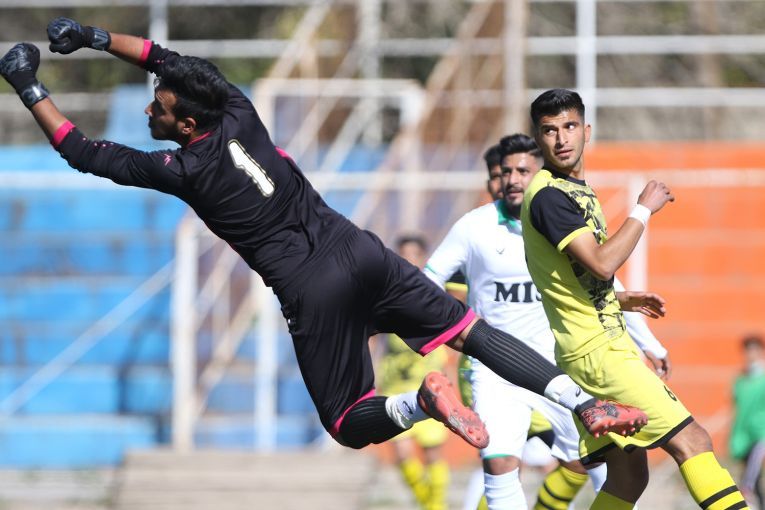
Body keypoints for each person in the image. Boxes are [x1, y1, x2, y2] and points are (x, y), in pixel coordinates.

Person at [0, 21, 645, 458]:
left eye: (158, 107)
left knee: (346, 421)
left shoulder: (183, 170)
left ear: (187, 124)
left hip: (312, 290)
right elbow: (169, 60)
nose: (150, 109)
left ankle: (421, 403)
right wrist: (92, 38)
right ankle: (581, 402)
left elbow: (83, 151)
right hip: (360, 249)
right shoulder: (238, 108)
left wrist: (30, 87)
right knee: (472, 333)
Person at [520, 88, 748, 509]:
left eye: (569, 126)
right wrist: (642, 209)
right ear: (538, 138)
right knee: (693, 440)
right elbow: (602, 263)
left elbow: (577, 275)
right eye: (550, 130)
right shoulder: (550, 196)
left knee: (628, 477)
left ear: (587, 131)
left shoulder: (570, 189)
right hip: (599, 355)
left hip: (594, 349)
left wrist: (619, 300)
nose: (562, 138)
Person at [426, 134, 672, 510]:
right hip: (496, 369)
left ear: (538, 173)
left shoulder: (556, 220)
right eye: (506, 171)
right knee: (500, 464)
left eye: (522, 171)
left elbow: (603, 285)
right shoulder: (474, 227)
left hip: (559, 366)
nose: (513, 179)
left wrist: (649, 343)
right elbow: (428, 280)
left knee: (596, 463)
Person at [376, 234, 450, 510]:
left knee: (432, 454)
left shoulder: (433, 292)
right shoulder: (382, 292)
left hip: (429, 386)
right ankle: (429, 505)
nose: (408, 259)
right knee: (402, 454)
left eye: (413, 254)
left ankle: (436, 505)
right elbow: (373, 337)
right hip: (395, 386)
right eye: (403, 254)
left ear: (422, 258)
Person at [730, 335, 765, 509]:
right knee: (753, 476)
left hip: (761, 433)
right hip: (744, 435)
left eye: (754, 350)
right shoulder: (740, 380)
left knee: (749, 478)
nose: (750, 354)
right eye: (748, 350)